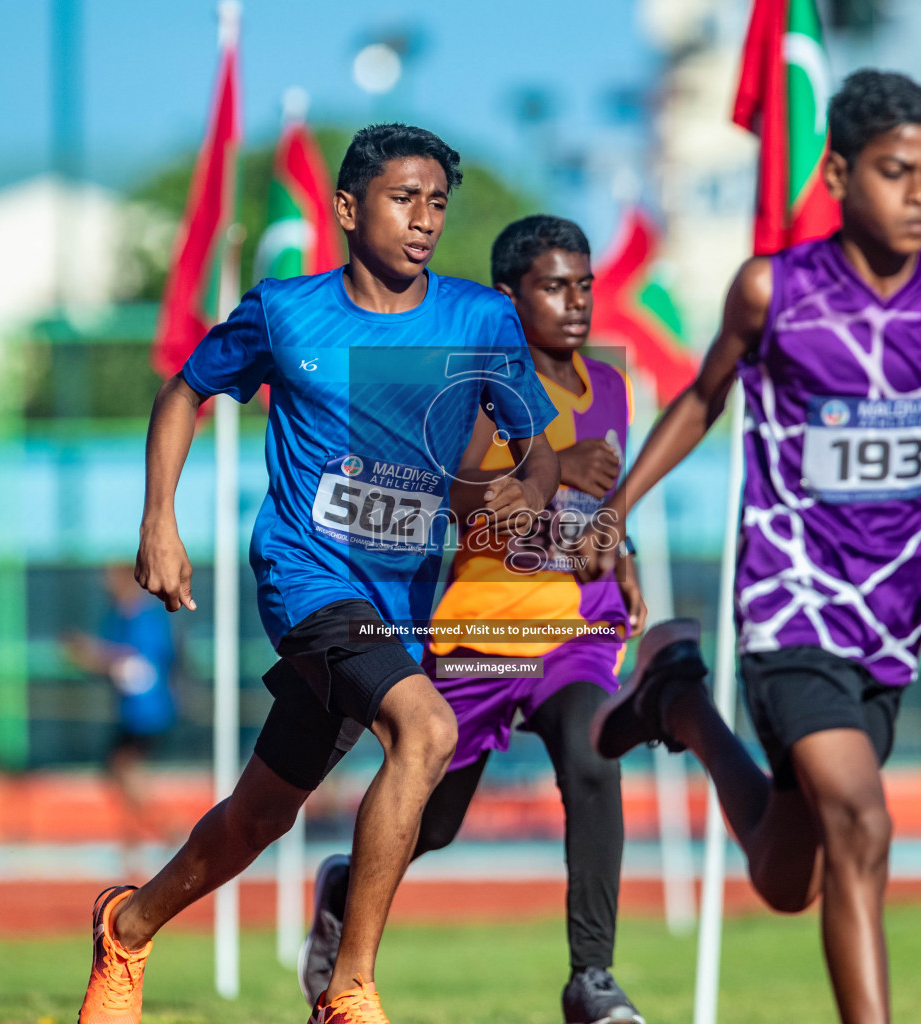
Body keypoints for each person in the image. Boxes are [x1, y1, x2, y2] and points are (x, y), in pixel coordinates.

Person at [583, 71, 921, 1024]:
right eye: (893, 172)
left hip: (895, 613)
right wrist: (616, 505)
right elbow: (702, 399)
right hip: (790, 598)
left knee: (792, 877)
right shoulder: (774, 291)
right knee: (862, 823)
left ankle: (680, 704)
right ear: (836, 171)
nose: (918, 195)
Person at [77, 123, 559, 1024]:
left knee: (263, 814)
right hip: (304, 577)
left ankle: (127, 928)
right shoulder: (284, 311)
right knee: (426, 729)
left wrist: (525, 495)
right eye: (403, 198)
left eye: (437, 205)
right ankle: (349, 988)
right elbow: (184, 389)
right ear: (347, 208)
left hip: (398, 608)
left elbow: (538, 452)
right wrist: (158, 521)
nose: (424, 221)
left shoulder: (482, 319)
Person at [297, 216, 648, 1024]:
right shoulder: (474, 393)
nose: (576, 302)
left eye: (585, 285)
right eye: (554, 287)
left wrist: (613, 546)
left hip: (576, 634)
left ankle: (591, 978)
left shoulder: (615, 389)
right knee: (434, 823)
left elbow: (597, 514)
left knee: (594, 754)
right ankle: (348, 888)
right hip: (477, 636)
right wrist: (557, 495)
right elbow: (451, 510)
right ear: (507, 296)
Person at [63, 564, 179, 855]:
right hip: (131, 710)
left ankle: (165, 829)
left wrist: (92, 653)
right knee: (120, 771)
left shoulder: (144, 620)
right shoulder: (117, 619)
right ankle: (139, 835)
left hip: (149, 712)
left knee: (123, 768)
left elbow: (134, 663)